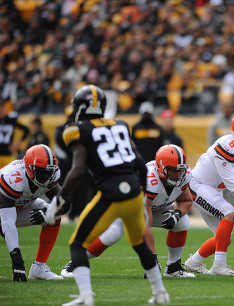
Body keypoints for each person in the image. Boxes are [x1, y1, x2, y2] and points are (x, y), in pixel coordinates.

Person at [45, 85, 169, 305]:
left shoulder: (75, 129)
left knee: (77, 245)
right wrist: (140, 193)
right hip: (132, 193)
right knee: (139, 243)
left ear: (80, 107)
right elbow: (140, 163)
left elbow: (78, 169)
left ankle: (86, 297)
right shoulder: (120, 125)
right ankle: (160, 293)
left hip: (110, 195)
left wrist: (60, 198)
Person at [60, 144, 195, 279]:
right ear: (160, 167)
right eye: (173, 171)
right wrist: (152, 259)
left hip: (152, 208)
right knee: (112, 234)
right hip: (125, 207)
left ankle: (173, 267)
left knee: (182, 221)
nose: (178, 175)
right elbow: (145, 223)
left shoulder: (184, 176)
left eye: (180, 170)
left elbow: (186, 201)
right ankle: (76, 262)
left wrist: (177, 214)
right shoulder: (150, 179)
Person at [184, 109, 234, 276]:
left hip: (213, 190)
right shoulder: (227, 146)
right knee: (229, 212)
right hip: (197, 185)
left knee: (225, 239)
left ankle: (193, 262)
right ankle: (219, 266)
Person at [0, 144, 67, 281]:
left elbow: (65, 204)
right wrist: (16, 259)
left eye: (49, 172)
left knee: (54, 215)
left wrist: (48, 212)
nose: (46, 176)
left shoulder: (50, 176)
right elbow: (7, 221)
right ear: (29, 167)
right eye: (41, 172)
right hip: (4, 210)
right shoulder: (13, 177)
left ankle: (39, 268)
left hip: (21, 205)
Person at [0, 100, 30, 168]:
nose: (1, 110)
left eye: (2, 107)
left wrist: (17, 144)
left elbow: (26, 130)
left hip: (8, 155)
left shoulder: (11, 119)